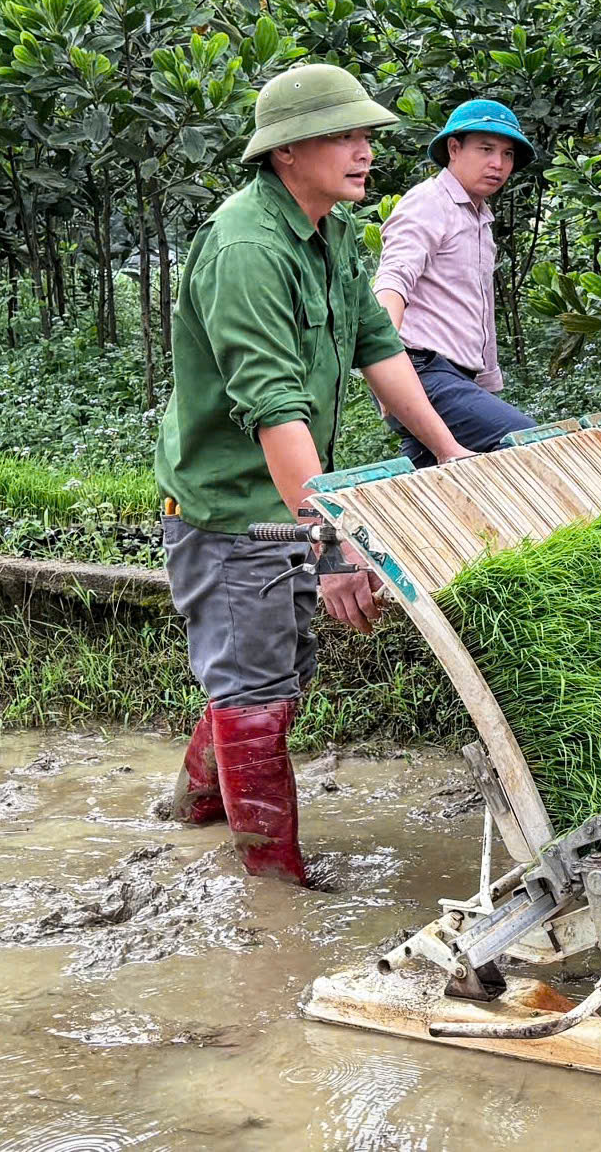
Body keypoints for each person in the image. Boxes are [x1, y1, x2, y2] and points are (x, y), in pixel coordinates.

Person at [155, 62, 470, 883]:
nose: (366, 151)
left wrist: (449, 451)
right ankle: (273, 889)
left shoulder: (330, 228)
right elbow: (274, 409)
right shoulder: (249, 249)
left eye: (367, 135)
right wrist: (332, 543)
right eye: (345, 136)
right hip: (233, 511)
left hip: (294, 495)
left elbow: (377, 346)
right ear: (288, 152)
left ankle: (191, 808)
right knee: (256, 686)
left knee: (270, 671)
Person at [373, 99, 538, 466]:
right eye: (485, 149)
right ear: (454, 148)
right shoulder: (429, 203)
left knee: (428, 486)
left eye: (508, 154)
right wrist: (383, 367)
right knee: (528, 443)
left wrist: (486, 386)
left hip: (453, 378)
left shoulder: (479, 219)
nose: (498, 164)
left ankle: (363, 523)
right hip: (418, 371)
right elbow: (391, 282)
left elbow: (477, 310)